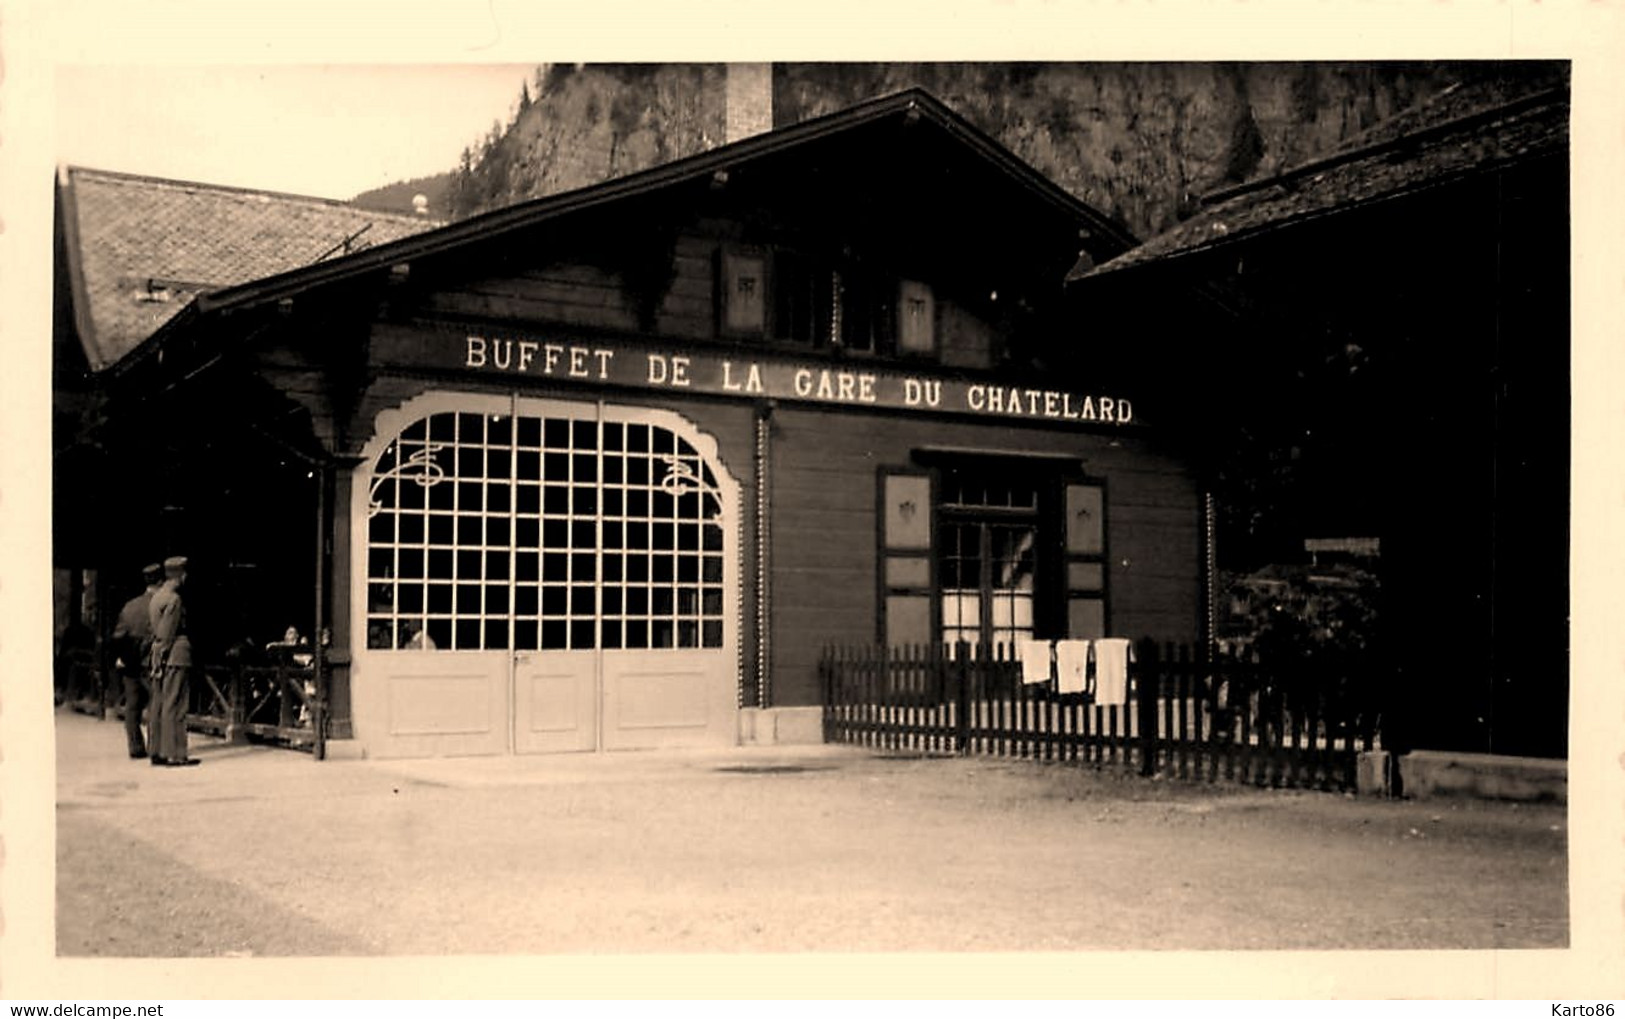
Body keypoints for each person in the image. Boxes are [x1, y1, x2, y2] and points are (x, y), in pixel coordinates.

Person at [147, 556, 199, 767]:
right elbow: (167, 632)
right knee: (176, 705)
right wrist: (163, 654)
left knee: (160, 703)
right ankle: (176, 753)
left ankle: (157, 749)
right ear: (180, 576)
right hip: (176, 654)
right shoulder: (174, 600)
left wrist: (157, 658)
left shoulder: (156, 597)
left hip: (161, 655)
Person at [111, 563, 163, 759]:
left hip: (129, 662)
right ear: (160, 581)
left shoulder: (130, 606)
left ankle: (135, 746)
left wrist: (121, 657)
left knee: (132, 706)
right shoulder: (162, 604)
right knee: (155, 703)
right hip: (152, 661)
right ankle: (155, 745)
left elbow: (118, 636)